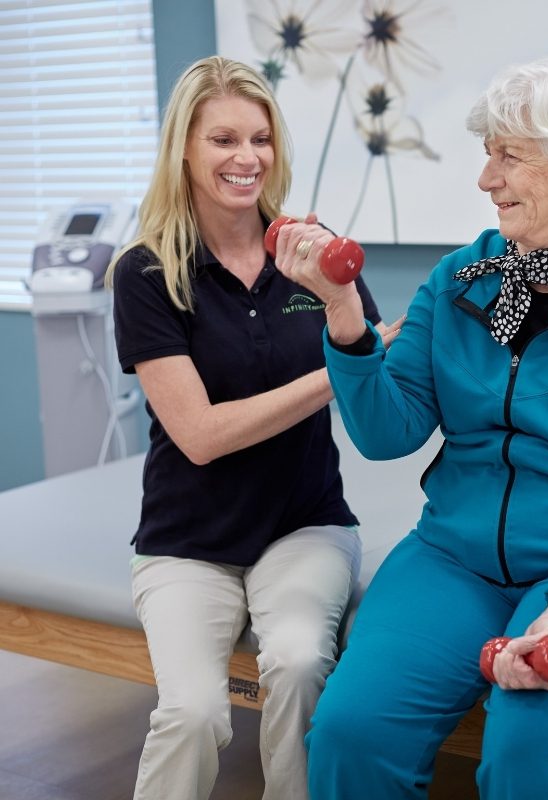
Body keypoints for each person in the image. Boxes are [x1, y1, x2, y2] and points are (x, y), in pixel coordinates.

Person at [272, 56, 548, 798]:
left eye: (509, 156)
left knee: (531, 748)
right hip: (459, 560)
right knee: (352, 731)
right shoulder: (460, 281)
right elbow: (389, 432)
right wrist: (344, 316)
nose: (486, 179)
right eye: (489, 153)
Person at [105, 55, 399, 800]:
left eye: (260, 139)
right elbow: (200, 434)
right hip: (187, 540)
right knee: (195, 712)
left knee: (300, 663)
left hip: (305, 524)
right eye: (224, 140)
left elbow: (375, 373)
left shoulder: (315, 253)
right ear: (184, 149)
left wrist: (346, 317)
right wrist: (337, 371)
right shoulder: (146, 273)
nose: (247, 159)